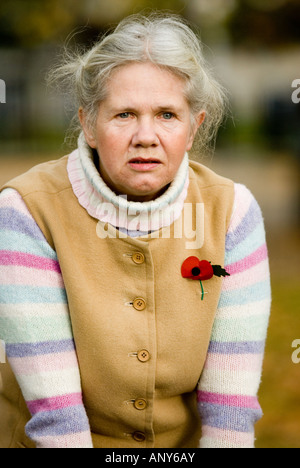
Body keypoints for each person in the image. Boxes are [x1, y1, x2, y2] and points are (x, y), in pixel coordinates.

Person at [0, 13, 271, 449]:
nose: (146, 136)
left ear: (194, 126)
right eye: (124, 114)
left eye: (167, 114)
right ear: (88, 124)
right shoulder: (27, 210)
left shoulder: (233, 213)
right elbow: (57, 421)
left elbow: (230, 416)